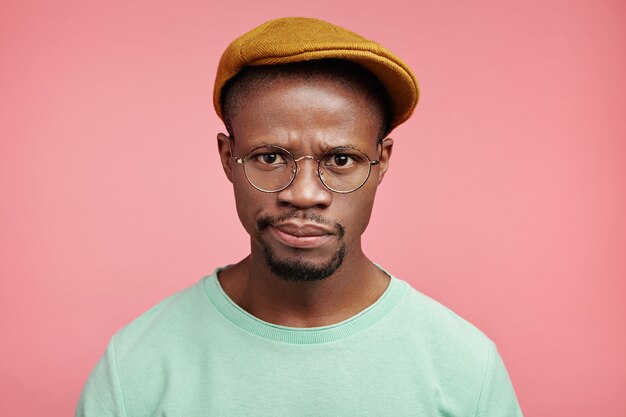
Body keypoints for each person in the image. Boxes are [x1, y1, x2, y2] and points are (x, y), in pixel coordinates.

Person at [76, 17, 523, 416]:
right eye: (269, 156)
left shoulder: (464, 367)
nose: (304, 194)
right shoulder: (136, 365)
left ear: (382, 161)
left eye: (341, 160)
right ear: (227, 157)